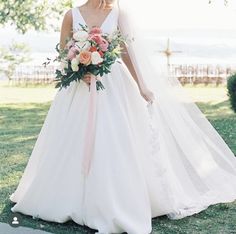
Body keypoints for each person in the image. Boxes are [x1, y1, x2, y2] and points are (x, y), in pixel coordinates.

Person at [10, 0, 236, 233]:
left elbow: (128, 53)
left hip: (113, 87)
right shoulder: (71, 15)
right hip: (79, 88)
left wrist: (142, 86)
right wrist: (77, 70)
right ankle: (65, 197)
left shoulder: (119, 15)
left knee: (113, 139)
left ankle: (111, 201)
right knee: (71, 138)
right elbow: (63, 53)